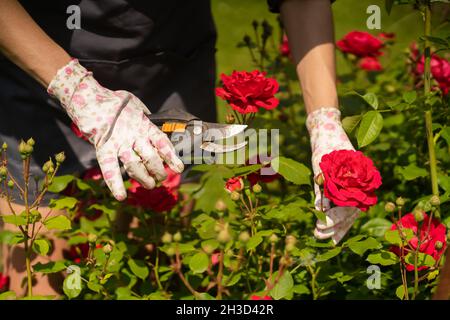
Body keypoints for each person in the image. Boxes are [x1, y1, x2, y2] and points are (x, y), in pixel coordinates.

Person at [0, 0, 359, 295]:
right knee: (37, 274)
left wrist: (325, 125)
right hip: (39, 61)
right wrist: (75, 89)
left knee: (155, 265)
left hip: (169, 60)